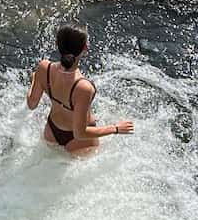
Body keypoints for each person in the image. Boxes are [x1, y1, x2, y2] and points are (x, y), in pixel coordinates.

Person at [27, 24, 134, 153]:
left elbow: (32, 104)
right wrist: (116, 128)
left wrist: (35, 80)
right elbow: (80, 133)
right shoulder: (84, 87)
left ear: (57, 44)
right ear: (85, 48)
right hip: (79, 142)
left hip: (51, 132)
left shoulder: (44, 67)